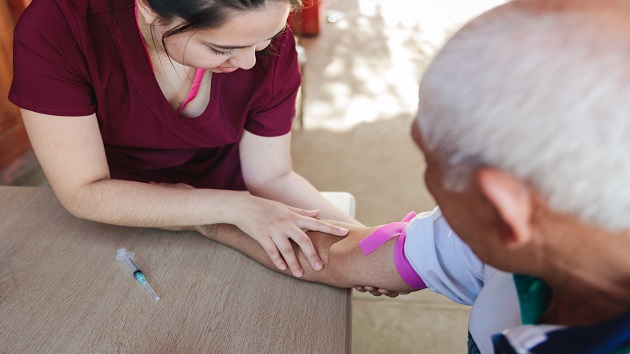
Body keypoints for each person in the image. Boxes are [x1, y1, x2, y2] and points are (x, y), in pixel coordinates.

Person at [174, 0, 630, 352]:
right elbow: (338, 257)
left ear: (503, 207)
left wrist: (202, 214)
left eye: (429, 159)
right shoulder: (494, 241)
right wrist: (205, 216)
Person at [8, 0, 361, 279]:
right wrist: (232, 207)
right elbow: (84, 190)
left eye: (265, 42)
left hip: (239, 209)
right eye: (222, 49)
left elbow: (271, 176)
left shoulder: (260, 36)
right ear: (148, 7)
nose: (250, 63)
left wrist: (359, 237)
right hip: (121, 217)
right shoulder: (58, 29)